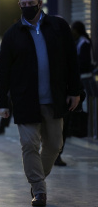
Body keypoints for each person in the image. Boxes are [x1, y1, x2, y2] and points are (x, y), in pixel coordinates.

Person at [0, 0, 81, 206]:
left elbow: (72, 60)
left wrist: (75, 91)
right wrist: (1, 102)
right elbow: (2, 70)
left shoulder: (59, 27)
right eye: (22, 5)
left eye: (30, 3)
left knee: (54, 145)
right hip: (25, 101)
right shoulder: (13, 34)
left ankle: (36, 181)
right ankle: (39, 191)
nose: (26, 7)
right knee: (29, 145)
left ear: (40, 3)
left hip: (55, 99)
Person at [54, 20, 94, 167]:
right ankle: (55, 153)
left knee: (63, 123)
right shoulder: (65, 44)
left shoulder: (81, 43)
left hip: (70, 89)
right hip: (59, 90)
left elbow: (79, 66)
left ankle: (57, 154)